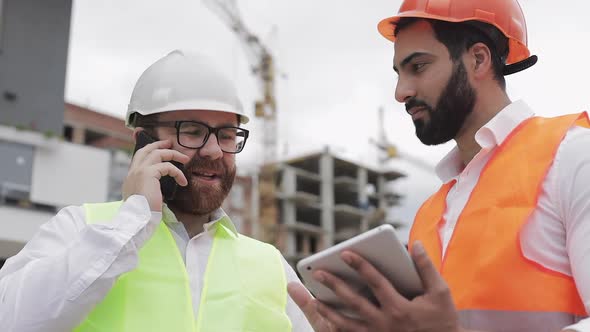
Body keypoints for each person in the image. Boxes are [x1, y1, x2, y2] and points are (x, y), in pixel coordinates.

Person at [288, 0, 590, 331]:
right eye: (399, 74)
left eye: (417, 67)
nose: (401, 92)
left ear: (478, 59)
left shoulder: (572, 155)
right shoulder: (430, 214)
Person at [0, 50, 312, 332]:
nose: (215, 150)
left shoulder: (270, 263)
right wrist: (132, 220)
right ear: (144, 142)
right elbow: (13, 322)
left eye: (228, 135)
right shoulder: (80, 227)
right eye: (193, 132)